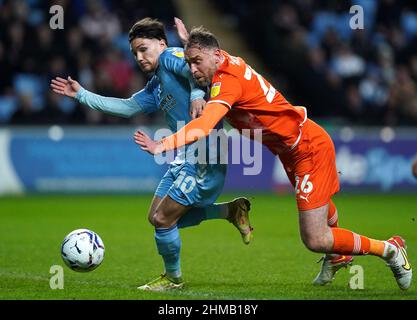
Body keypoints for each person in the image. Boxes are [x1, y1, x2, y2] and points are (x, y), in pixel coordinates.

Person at [134, 22, 412, 290]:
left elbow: (205, 125)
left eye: (196, 62)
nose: (191, 70)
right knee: (321, 207)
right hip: (291, 150)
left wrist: (163, 144)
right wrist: (189, 44)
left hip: (308, 149)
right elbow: (204, 52)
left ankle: (389, 249)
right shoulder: (225, 61)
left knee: (315, 238)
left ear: (216, 55)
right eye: (189, 62)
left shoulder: (227, 83)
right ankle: (337, 256)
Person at [51, 18, 253, 292]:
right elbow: (126, 107)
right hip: (185, 156)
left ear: (161, 44)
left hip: (206, 154)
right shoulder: (155, 85)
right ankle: (230, 210)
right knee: (157, 217)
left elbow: (194, 71)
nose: (139, 57)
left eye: (144, 49)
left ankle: (173, 279)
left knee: (163, 220)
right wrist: (82, 95)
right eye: (135, 52)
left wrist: (196, 93)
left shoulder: (171, 57)